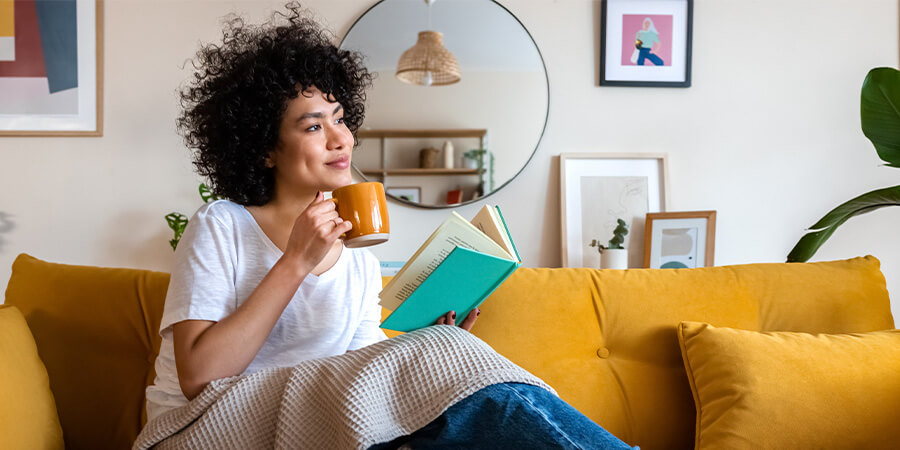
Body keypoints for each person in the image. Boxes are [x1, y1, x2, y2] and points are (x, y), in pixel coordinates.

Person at [144, 3, 636, 449]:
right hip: (206, 426)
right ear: (264, 148)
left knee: (453, 377)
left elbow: (363, 394)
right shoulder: (222, 225)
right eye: (314, 126)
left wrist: (435, 336)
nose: (341, 139)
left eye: (340, 118)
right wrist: (295, 261)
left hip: (308, 428)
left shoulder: (357, 255)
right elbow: (200, 376)